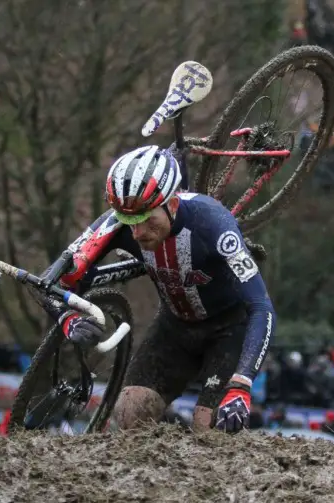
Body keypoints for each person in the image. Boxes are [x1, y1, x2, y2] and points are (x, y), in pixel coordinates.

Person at [48, 146, 275, 433]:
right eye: (130, 222)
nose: (138, 233)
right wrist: (68, 317)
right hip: (175, 326)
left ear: (173, 205)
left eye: (147, 220)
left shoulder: (214, 225)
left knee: (210, 428)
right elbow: (52, 280)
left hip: (230, 330)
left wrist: (242, 383)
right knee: (130, 412)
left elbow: (261, 307)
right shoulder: (121, 219)